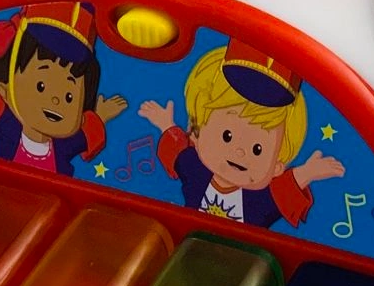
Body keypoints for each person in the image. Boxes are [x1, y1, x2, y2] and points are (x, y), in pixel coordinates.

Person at [138, 39, 343, 230]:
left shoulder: (260, 201)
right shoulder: (195, 170)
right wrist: (166, 123)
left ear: (277, 167)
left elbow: (283, 192)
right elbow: (177, 153)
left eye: (257, 149)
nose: (239, 152)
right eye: (226, 136)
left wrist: (307, 172)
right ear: (196, 135)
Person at [0, 1, 125, 174]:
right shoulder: (10, 131)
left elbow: (83, 137)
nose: (56, 100)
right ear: (4, 91)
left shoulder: (62, 147)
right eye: (40, 87)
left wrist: (101, 115)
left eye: (69, 97)